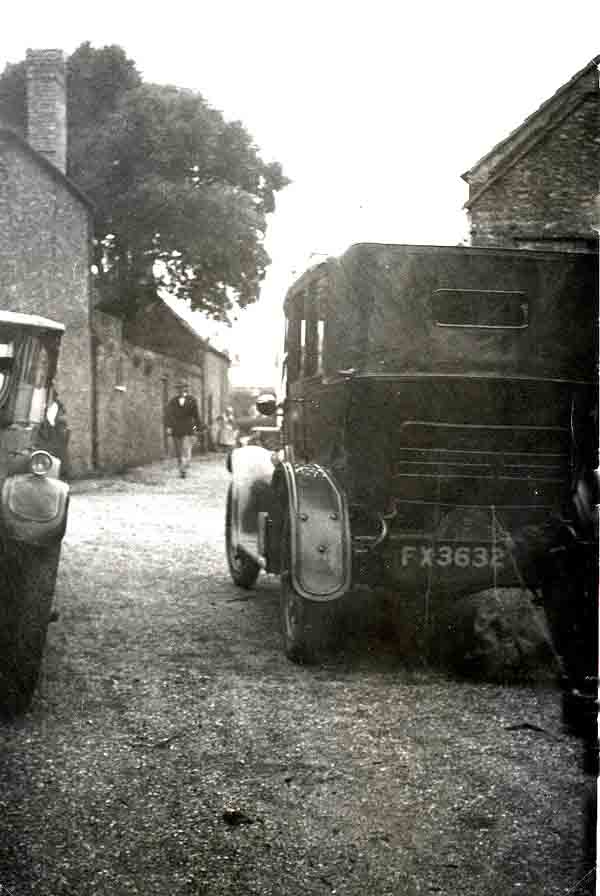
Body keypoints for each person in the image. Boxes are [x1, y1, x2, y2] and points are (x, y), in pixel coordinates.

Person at [164, 382, 201, 478]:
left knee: (185, 449)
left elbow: (196, 416)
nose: (180, 390)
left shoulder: (192, 400)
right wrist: (168, 427)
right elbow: (168, 415)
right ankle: (181, 467)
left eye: (182, 388)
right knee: (178, 451)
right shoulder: (173, 401)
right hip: (176, 428)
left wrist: (197, 427)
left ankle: (183, 468)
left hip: (188, 428)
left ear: (185, 389)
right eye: (178, 388)